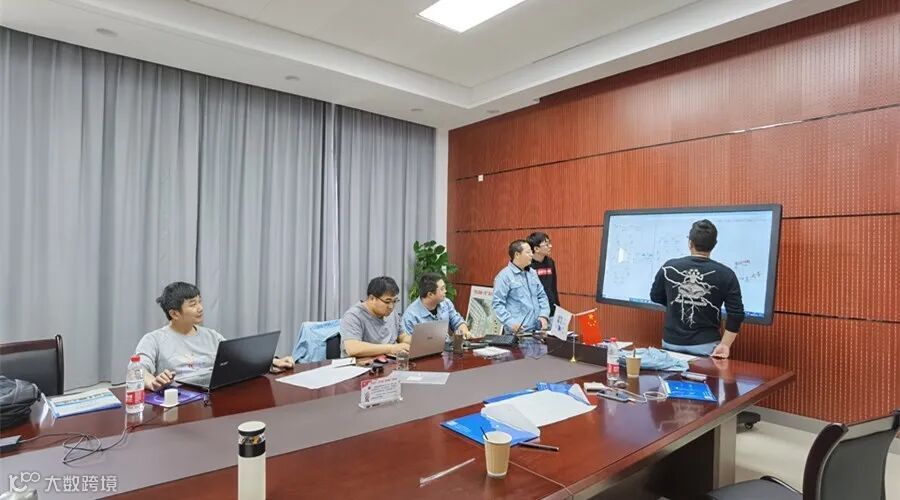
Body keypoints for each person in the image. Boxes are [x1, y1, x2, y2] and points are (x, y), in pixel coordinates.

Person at [135, 282, 294, 391]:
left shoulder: (211, 336)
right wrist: (152, 382)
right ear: (174, 313)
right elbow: (137, 370)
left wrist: (273, 361)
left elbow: (238, 358)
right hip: (179, 400)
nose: (200, 308)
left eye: (200, 302)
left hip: (213, 396)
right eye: (193, 304)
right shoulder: (154, 339)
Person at [649, 220, 744, 358]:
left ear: (690, 243)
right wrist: (725, 345)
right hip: (706, 345)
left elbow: (655, 296)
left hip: (671, 343)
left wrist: (676, 303)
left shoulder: (669, 267)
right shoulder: (726, 274)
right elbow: (736, 314)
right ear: (714, 245)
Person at [340, 276, 411, 358]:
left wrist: (416, 342)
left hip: (390, 360)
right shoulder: (353, 316)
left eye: (394, 301)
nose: (391, 306)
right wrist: (391, 348)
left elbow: (401, 336)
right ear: (372, 298)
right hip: (364, 363)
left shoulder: (391, 313)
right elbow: (353, 348)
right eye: (387, 301)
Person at [492, 240, 550, 334]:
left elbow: (542, 295)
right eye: (528, 252)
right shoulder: (504, 276)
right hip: (518, 332)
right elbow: (497, 304)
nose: (531, 255)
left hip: (537, 330)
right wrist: (511, 323)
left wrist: (543, 316)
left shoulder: (532, 273)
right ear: (517, 255)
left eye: (531, 252)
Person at [402, 272, 471, 339]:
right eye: (442, 289)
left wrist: (464, 331)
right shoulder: (411, 315)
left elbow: (457, 322)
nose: (445, 291)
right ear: (430, 294)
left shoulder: (446, 303)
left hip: (447, 345)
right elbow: (407, 342)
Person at [527, 231, 560, 316]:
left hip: (551, 308)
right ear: (536, 249)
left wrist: (557, 307)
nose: (550, 246)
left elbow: (553, 287)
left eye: (549, 243)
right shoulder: (527, 265)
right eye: (546, 245)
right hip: (535, 311)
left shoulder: (550, 262)